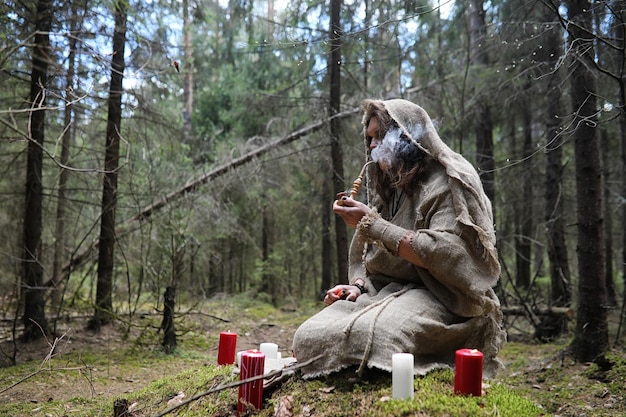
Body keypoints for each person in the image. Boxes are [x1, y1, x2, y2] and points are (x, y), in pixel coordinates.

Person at [292, 98, 505, 379]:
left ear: (404, 138)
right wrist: (358, 287)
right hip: (384, 293)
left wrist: (371, 224)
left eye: (378, 137)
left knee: (372, 336)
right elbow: (380, 261)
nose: (370, 147)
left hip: (443, 301)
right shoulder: (392, 189)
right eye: (369, 138)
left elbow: (441, 254)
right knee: (307, 336)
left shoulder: (445, 185)